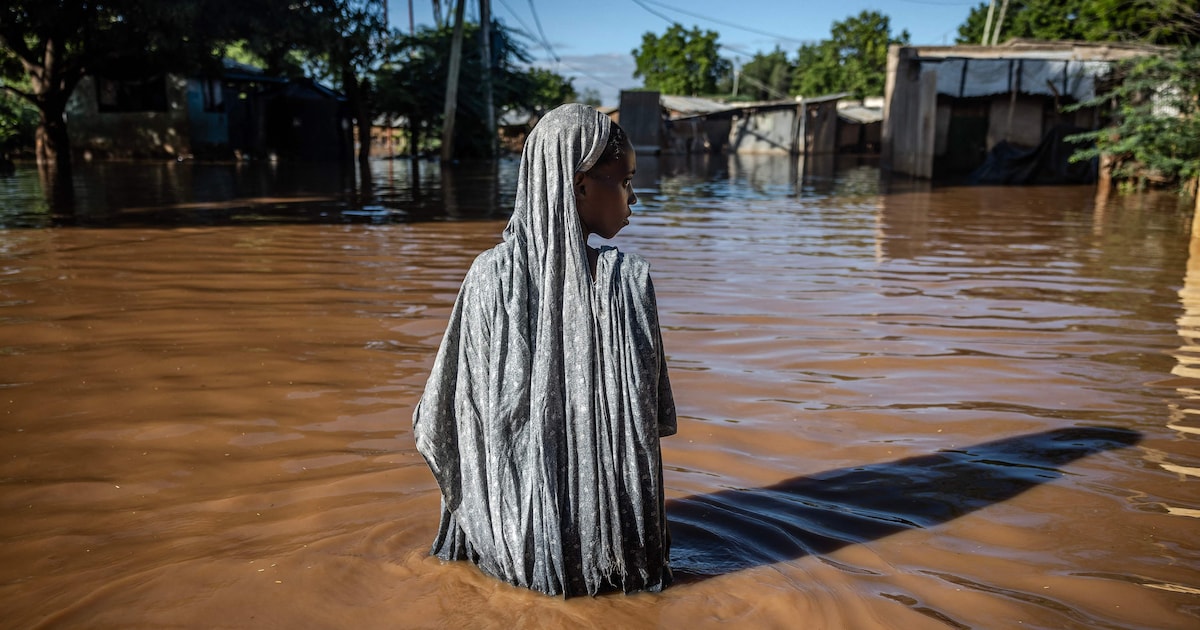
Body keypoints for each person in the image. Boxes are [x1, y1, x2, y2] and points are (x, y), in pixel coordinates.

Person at [412, 103, 677, 597]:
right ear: (578, 187)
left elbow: (444, 420)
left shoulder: (488, 279)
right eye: (624, 181)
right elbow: (652, 421)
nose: (634, 197)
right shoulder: (626, 280)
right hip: (618, 560)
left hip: (508, 551)